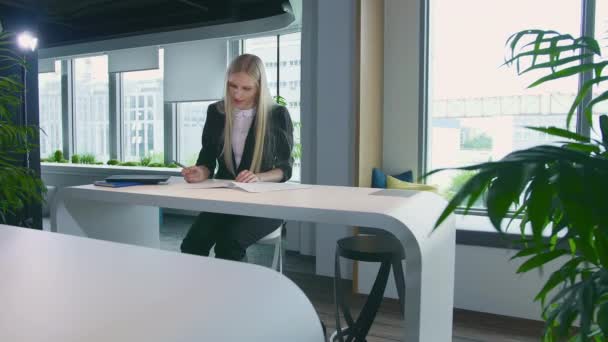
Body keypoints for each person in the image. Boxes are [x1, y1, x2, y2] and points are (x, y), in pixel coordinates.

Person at [180, 54, 294, 261]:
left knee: (228, 244)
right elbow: (207, 159)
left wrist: (259, 177)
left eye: (246, 88)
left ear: (259, 87)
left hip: (267, 201)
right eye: (232, 86)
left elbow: (285, 168)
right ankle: (197, 291)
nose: (237, 94)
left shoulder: (277, 114)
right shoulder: (216, 112)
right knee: (193, 243)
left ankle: (234, 293)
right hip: (227, 199)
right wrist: (200, 171)